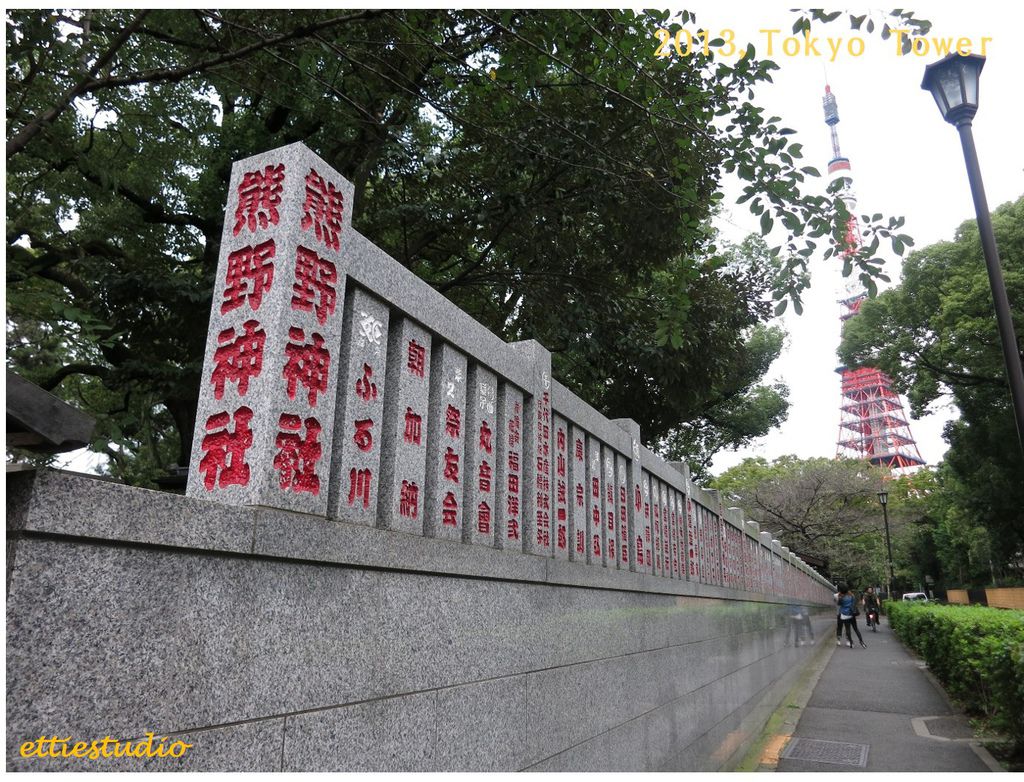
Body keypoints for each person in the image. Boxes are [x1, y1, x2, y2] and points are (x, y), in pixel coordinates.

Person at [835, 583, 866, 648]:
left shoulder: (841, 597)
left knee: (847, 629)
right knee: (856, 629)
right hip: (852, 613)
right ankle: (861, 641)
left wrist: (838, 597)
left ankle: (851, 643)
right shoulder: (852, 595)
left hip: (844, 614)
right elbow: (854, 603)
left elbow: (839, 604)